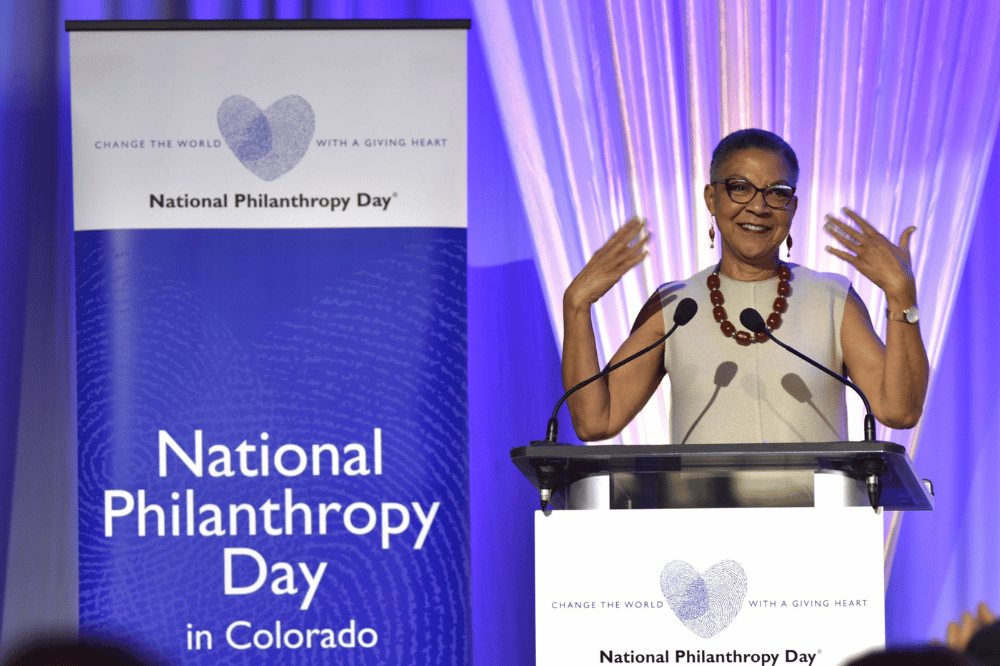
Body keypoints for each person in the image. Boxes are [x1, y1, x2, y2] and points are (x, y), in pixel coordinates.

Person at [562, 128, 929, 444]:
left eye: (777, 192)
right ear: (712, 198)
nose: (758, 206)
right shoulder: (675, 305)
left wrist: (901, 297)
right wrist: (576, 306)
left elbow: (899, 412)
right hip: (706, 521)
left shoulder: (831, 297)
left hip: (815, 525)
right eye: (740, 188)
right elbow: (595, 421)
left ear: (793, 206)